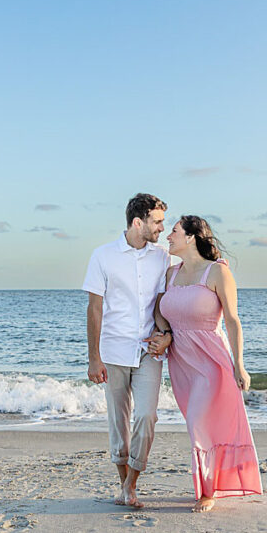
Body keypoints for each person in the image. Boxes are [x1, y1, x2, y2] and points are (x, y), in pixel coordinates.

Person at [148, 215, 262, 512]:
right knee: (199, 424)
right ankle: (210, 484)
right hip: (181, 362)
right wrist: (165, 334)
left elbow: (233, 320)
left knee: (198, 421)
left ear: (191, 237)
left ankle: (208, 491)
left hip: (211, 361)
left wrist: (239, 364)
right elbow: (160, 310)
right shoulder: (171, 273)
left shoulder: (217, 272)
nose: (168, 236)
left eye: (174, 231)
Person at [82, 193, 170, 509]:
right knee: (118, 423)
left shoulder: (163, 257)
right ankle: (126, 486)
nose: (162, 228)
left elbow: (163, 302)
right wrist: (94, 358)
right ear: (137, 222)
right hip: (113, 350)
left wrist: (167, 335)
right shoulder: (103, 256)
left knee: (147, 416)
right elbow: (94, 309)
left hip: (149, 351)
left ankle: (131, 482)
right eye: (157, 221)